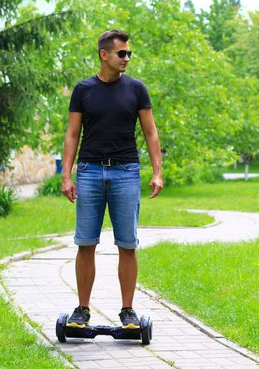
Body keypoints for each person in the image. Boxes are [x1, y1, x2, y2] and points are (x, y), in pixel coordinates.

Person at [60, 29, 163, 330]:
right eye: (122, 53)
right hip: (90, 172)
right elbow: (72, 134)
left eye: (129, 53)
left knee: (127, 244)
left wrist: (157, 172)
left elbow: (151, 132)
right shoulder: (83, 90)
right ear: (104, 55)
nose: (127, 58)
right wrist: (66, 175)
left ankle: (128, 311)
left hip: (126, 172)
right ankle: (82, 310)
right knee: (86, 243)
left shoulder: (137, 89)